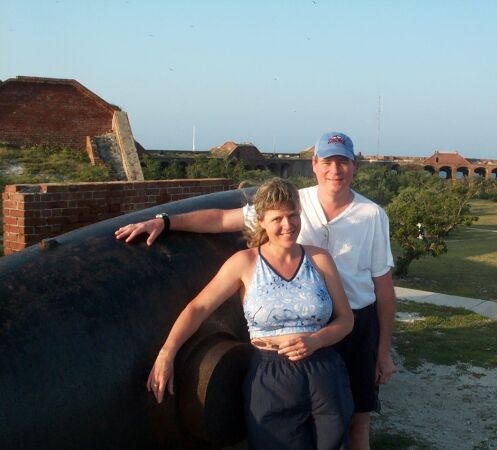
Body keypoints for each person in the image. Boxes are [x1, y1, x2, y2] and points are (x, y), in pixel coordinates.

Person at [117, 131, 396, 449]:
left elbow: (383, 287)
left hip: (352, 323)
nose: (336, 170)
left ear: (354, 166)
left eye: (343, 162)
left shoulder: (370, 215)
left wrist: (382, 350)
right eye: (328, 162)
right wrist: (165, 222)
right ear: (315, 164)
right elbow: (222, 219)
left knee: (355, 424)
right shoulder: (291, 200)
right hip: (292, 341)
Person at [146, 178, 354, 450]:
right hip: (270, 373)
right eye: (277, 218)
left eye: (293, 215)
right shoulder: (244, 263)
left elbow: (346, 319)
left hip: (323, 368)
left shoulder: (319, 259)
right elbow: (198, 308)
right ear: (261, 221)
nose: (288, 225)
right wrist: (167, 352)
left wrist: (316, 341)